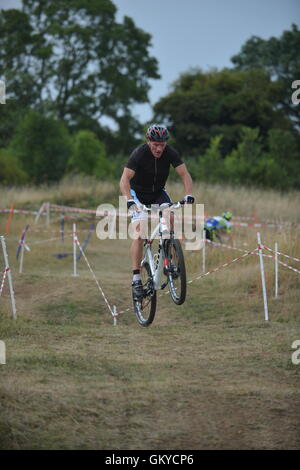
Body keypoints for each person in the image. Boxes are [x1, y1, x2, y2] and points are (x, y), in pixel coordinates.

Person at [119, 123, 194, 300]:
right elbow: (124, 180)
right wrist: (129, 200)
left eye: (162, 144)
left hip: (158, 193)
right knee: (140, 233)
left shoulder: (170, 153)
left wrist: (189, 194)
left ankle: (169, 257)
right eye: (155, 144)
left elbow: (184, 174)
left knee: (171, 218)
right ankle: (136, 277)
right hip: (137, 194)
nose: (159, 148)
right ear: (148, 141)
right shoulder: (139, 153)